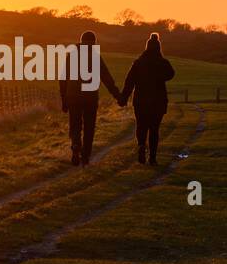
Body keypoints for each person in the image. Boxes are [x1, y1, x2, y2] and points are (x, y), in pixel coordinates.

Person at [59, 30, 121, 166]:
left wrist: (64, 99)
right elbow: (107, 79)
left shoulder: (72, 56)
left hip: (73, 97)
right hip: (90, 98)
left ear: (81, 41)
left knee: (75, 124)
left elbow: (63, 78)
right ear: (94, 43)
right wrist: (118, 96)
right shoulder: (95, 57)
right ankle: (85, 156)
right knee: (89, 127)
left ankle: (75, 144)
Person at [119, 33, 176, 165]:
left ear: (146, 47)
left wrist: (123, 98)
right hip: (158, 101)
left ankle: (141, 146)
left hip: (140, 100)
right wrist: (160, 77)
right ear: (158, 47)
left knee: (141, 125)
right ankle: (152, 157)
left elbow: (129, 82)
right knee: (154, 129)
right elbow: (171, 74)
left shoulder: (138, 63)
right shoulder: (163, 63)